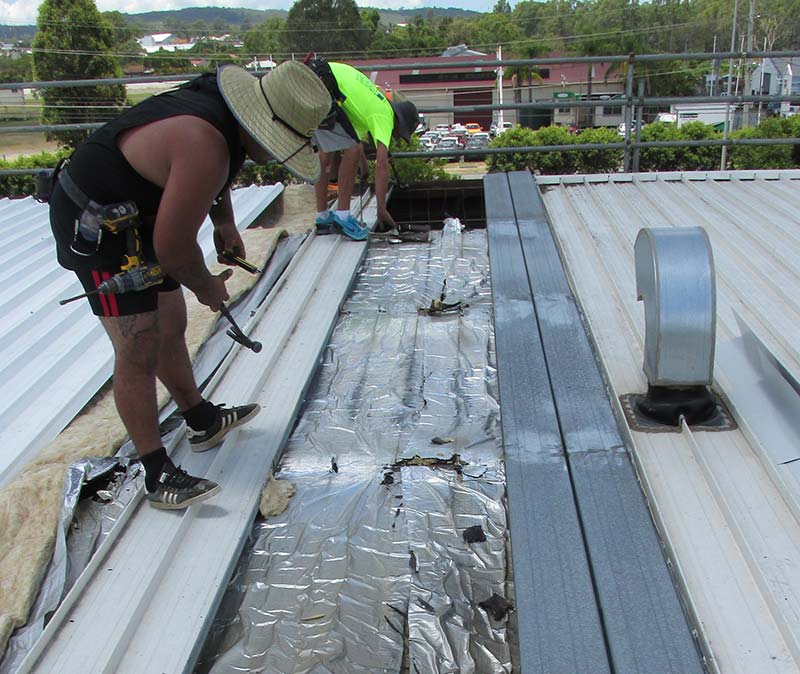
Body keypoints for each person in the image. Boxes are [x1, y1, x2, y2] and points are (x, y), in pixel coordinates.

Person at [48, 61, 332, 510]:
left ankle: (200, 418)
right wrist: (207, 285)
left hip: (136, 212)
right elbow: (174, 246)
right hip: (94, 221)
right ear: (263, 123)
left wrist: (225, 223)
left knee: (171, 320)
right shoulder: (204, 142)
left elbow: (213, 182)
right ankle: (156, 473)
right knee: (139, 339)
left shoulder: (224, 118)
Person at [307, 59, 419, 239]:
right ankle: (343, 216)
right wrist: (381, 209)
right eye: (399, 135)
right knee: (351, 149)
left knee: (327, 152)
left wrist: (364, 166)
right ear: (399, 123)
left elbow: (352, 136)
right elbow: (382, 165)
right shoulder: (385, 115)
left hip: (315, 80)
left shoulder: (368, 106)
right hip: (325, 83)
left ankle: (323, 218)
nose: (396, 138)